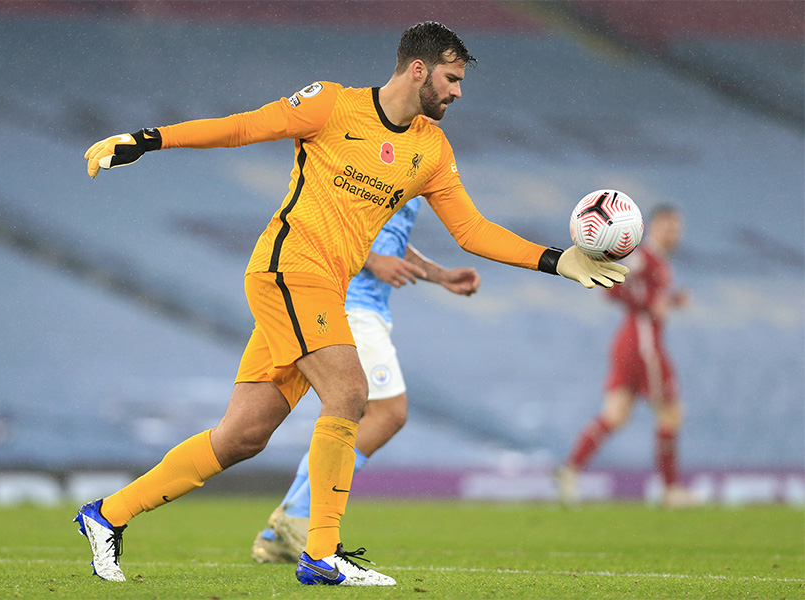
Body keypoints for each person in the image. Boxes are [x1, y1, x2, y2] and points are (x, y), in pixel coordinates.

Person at [79, 21, 628, 587]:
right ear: (418, 70)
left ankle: (105, 516)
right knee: (350, 392)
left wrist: (557, 259)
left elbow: (472, 230)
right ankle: (321, 553)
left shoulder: (430, 149)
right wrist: (146, 140)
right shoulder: (329, 105)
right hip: (288, 269)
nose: (458, 92)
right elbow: (243, 127)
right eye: (451, 78)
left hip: (320, 289)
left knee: (242, 436)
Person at [251, 196, 481, 563]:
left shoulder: (411, 155)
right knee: (387, 413)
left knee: (350, 416)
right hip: (347, 301)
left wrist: (438, 275)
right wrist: (373, 261)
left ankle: (282, 527)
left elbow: (383, 233)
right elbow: (328, 219)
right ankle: (296, 514)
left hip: (362, 304)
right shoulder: (370, 151)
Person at [556, 205, 690, 507]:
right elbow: (611, 287)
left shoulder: (657, 262)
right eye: (668, 227)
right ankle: (670, 491)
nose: (674, 235)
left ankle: (569, 470)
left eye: (677, 229)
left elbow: (648, 295)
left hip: (630, 341)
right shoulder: (645, 257)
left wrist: (670, 300)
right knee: (670, 412)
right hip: (644, 343)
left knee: (615, 415)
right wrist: (649, 302)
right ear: (653, 227)